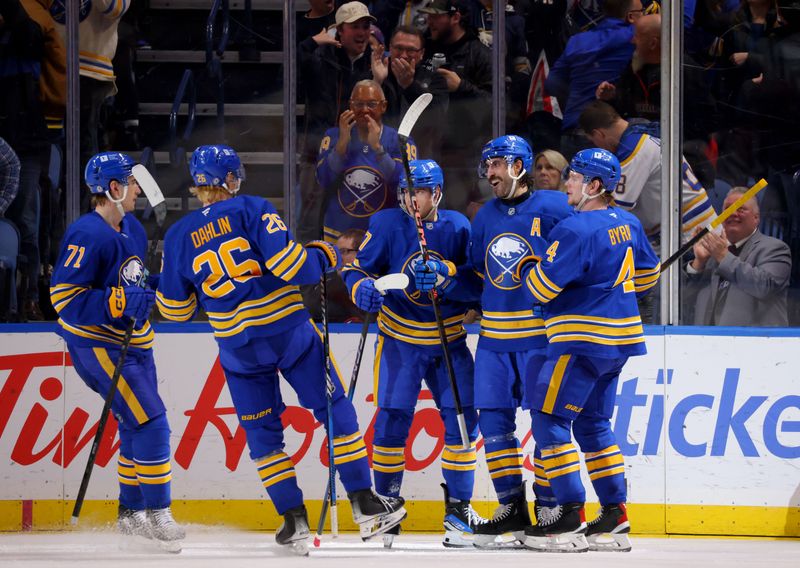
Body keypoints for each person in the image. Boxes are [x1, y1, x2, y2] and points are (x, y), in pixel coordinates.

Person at [156, 145, 406, 555]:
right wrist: (323, 256)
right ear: (232, 179)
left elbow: (175, 310)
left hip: (239, 350)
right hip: (289, 335)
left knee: (264, 437)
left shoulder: (179, 235)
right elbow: (292, 266)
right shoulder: (252, 209)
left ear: (198, 185)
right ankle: (365, 503)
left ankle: (293, 520)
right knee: (334, 407)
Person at [518, 148, 660, 553]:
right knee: (593, 425)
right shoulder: (630, 223)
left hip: (581, 339)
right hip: (620, 342)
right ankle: (614, 515)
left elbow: (541, 288)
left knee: (548, 420)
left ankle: (569, 515)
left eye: (574, 177)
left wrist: (530, 265)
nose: (566, 182)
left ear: (594, 185)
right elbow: (648, 275)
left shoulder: (575, 230)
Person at [342, 158, 484, 548]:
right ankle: (387, 504)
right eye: (404, 191)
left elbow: (477, 285)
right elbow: (355, 270)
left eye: (417, 191)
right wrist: (361, 290)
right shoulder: (387, 224)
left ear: (435, 192)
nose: (409, 199)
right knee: (391, 423)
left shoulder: (458, 226)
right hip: (399, 341)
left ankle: (458, 510)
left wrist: (449, 276)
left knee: (460, 424)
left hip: (448, 341)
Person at [49, 152, 185, 549]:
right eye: (132, 181)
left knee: (134, 423)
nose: (138, 188)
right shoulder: (87, 234)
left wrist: (169, 283)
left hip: (136, 343)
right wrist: (120, 304)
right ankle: (159, 513)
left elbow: (135, 280)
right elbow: (64, 297)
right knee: (152, 421)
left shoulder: (133, 230)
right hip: (98, 344)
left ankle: (131, 515)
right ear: (114, 188)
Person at [468, 135, 573, 547]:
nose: (490, 172)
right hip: (493, 338)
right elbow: (478, 274)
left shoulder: (555, 207)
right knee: (493, 424)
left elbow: (576, 258)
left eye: (497, 164)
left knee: (546, 423)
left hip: (540, 337)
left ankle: (548, 506)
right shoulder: (483, 217)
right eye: (487, 164)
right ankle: (511, 507)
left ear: (518, 166)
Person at [297, 1, 378, 242]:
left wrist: (380, 79)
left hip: (359, 156)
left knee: (352, 218)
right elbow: (291, 67)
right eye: (355, 27)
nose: (362, 32)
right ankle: (310, 276)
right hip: (316, 153)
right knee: (310, 221)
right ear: (340, 30)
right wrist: (312, 42)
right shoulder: (321, 57)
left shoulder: (374, 62)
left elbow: (387, 107)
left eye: (365, 26)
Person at [316, 80, 416, 243]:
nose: (364, 110)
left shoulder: (400, 141)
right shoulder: (332, 136)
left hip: (383, 232)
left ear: (383, 106)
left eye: (371, 104)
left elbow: (405, 186)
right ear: (350, 105)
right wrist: (341, 145)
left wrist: (378, 148)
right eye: (358, 104)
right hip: (338, 232)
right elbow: (323, 179)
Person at [420, 0, 493, 214]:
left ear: (455, 17)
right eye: (428, 15)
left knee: (459, 213)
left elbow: (497, 106)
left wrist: (462, 86)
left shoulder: (479, 53)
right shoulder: (425, 48)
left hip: (466, 154)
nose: (429, 21)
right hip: (429, 147)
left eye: (436, 16)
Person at [545, 0, 642, 157]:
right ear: (631, 16)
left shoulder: (577, 40)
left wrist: (579, 95)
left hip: (572, 131)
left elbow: (552, 83)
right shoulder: (634, 37)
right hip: (608, 135)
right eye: (641, 12)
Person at [687, 187, 791, 326]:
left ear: (756, 218)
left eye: (741, 209)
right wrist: (699, 263)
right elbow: (682, 300)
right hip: (707, 343)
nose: (733, 213)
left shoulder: (775, 248)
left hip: (757, 344)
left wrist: (724, 257)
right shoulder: (713, 255)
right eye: (728, 209)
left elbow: (764, 286)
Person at [373, 24, 449, 159]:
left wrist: (409, 86)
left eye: (411, 50)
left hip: (420, 156)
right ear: (390, 48)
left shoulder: (435, 79)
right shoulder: (377, 72)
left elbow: (438, 118)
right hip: (379, 154)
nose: (403, 55)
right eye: (399, 48)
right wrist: (377, 82)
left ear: (421, 53)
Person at [302, 228, 368, 323]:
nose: (338, 258)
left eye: (344, 251)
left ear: (362, 253)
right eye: (337, 252)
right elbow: (310, 309)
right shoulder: (324, 283)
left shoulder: (378, 285)